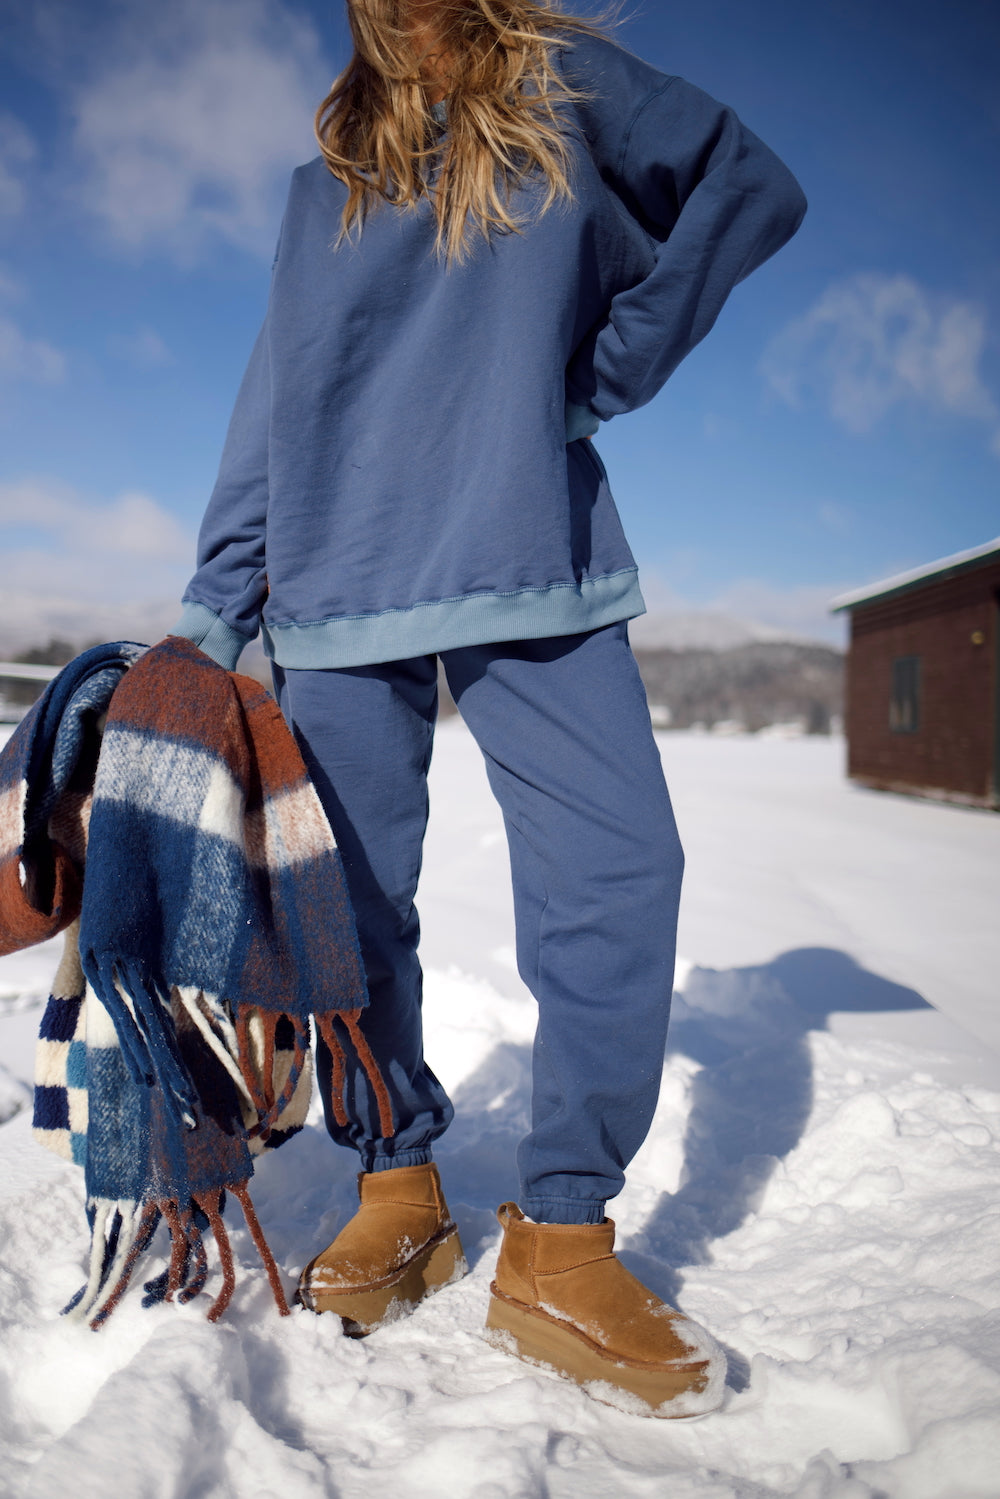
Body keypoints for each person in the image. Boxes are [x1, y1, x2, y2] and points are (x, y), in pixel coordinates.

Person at [173, 0, 805, 1416]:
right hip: (337, 584)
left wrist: (598, 373)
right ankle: (397, 1177)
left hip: (534, 552)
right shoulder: (322, 182)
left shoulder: (567, 87)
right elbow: (276, 406)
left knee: (618, 871)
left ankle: (562, 1237)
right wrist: (210, 618)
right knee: (347, 906)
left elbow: (744, 184)